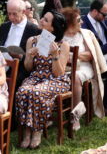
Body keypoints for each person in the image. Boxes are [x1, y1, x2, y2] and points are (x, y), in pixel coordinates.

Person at [16, 10, 70, 149]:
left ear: (53, 27)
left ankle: (37, 131)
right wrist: (29, 56)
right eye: (42, 18)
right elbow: (28, 69)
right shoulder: (32, 40)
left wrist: (54, 55)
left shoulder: (62, 45)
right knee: (22, 91)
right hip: (36, 77)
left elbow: (59, 73)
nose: (41, 20)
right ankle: (27, 132)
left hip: (55, 80)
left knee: (36, 93)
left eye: (45, 20)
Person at [62, 7, 107, 131]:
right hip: (63, 67)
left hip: (84, 67)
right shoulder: (59, 36)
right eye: (78, 20)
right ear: (69, 22)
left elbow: (89, 55)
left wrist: (71, 56)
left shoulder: (85, 34)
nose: (81, 22)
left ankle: (75, 115)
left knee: (76, 76)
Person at [0, 0, 41, 87]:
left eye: (14, 14)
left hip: (20, 68)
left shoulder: (34, 29)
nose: (11, 17)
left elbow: (39, 57)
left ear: (23, 12)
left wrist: (21, 57)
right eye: (9, 13)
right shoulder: (4, 26)